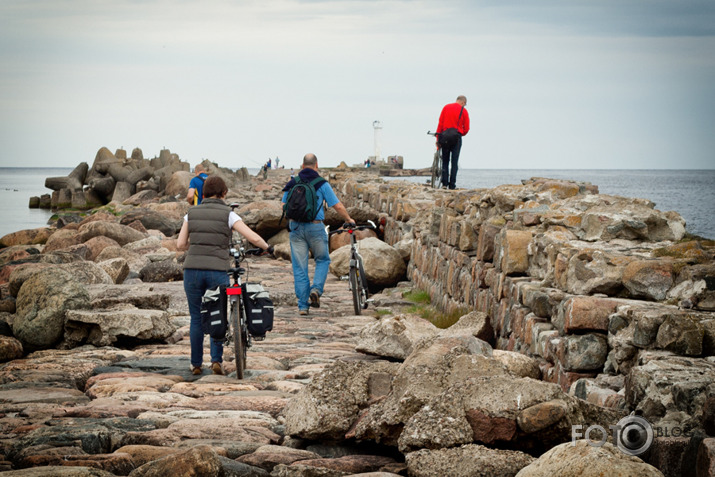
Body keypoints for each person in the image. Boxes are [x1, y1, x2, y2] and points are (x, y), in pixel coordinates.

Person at [177, 175, 274, 376]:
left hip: (192, 270)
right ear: (224, 193)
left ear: (202, 193)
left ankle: (195, 364)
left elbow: (179, 245)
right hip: (217, 271)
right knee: (217, 314)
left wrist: (195, 246)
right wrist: (268, 247)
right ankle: (216, 361)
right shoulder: (228, 214)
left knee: (196, 318)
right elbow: (252, 237)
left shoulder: (191, 213)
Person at [281, 153, 355, 315]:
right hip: (315, 228)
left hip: (295, 228)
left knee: (300, 267)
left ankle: (303, 306)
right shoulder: (321, 183)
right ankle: (316, 289)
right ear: (316, 165)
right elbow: (337, 206)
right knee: (322, 260)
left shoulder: (293, 183)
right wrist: (349, 218)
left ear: (302, 166)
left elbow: (283, 205)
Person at [436, 95, 470, 190]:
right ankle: (452, 185)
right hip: (456, 138)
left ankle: (444, 184)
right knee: (454, 162)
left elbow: (440, 124)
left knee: (445, 161)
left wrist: (438, 139)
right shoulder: (463, 111)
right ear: (463, 102)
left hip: (445, 137)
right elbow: (466, 128)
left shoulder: (446, 107)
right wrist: (460, 133)